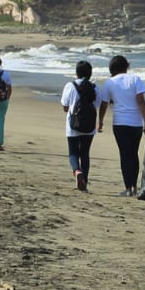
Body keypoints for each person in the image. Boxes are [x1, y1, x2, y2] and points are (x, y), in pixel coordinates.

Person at [97, 54, 145, 196]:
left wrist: (100, 121)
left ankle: (128, 189)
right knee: (134, 154)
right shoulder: (135, 79)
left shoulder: (110, 83)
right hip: (136, 123)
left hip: (120, 123)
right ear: (126, 66)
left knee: (125, 155)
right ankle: (134, 187)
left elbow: (104, 104)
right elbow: (141, 101)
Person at [61, 60, 98, 192]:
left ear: (76, 73)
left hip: (73, 125)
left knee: (73, 152)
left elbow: (65, 106)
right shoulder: (94, 87)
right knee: (85, 153)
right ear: (90, 73)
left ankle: (77, 171)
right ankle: (85, 182)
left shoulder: (70, 86)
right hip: (89, 125)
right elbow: (96, 104)